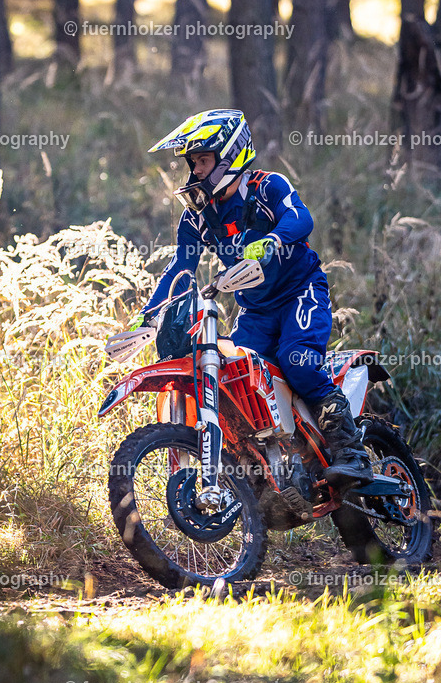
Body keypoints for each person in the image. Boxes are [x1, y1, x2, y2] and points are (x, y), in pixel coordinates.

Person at [136, 108, 373, 487]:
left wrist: (273, 240)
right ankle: (264, 467)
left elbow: (301, 218)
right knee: (237, 379)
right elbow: (181, 268)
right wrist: (148, 316)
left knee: (297, 363)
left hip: (300, 293)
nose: (194, 171)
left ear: (229, 156)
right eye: (192, 163)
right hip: (256, 309)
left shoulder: (268, 187)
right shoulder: (198, 215)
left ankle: (352, 453)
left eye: (202, 160)